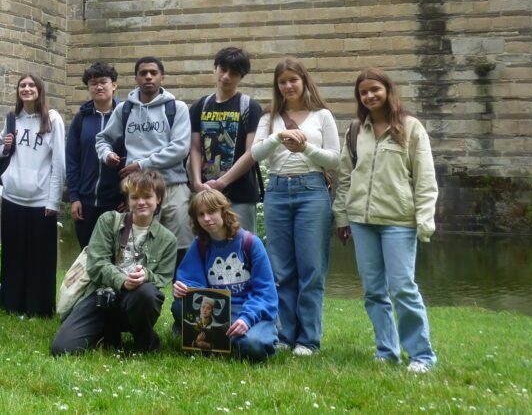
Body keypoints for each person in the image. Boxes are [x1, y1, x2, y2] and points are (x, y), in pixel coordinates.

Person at [334, 69, 438, 373]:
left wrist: (425, 220)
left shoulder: (410, 128)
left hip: (398, 221)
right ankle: (386, 350)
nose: (369, 96)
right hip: (361, 222)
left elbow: (425, 179)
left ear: (387, 90)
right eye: (363, 92)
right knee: (373, 291)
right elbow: (344, 177)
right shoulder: (356, 130)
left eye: (374, 90)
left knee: (403, 288)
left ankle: (421, 355)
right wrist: (342, 217)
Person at [251, 57, 339, 356]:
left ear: (304, 81)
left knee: (311, 269)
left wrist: (306, 148)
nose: (288, 86)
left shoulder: (322, 116)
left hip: (312, 191)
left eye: (293, 80)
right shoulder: (270, 117)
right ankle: (285, 334)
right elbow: (256, 153)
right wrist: (278, 137)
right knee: (281, 270)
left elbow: (335, 160)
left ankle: (308, 339)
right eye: (282, 82)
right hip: (276, 191)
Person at [50, 169, 178, 356]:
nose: (141, 202)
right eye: (134, 197)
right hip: (100, 297)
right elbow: (96, 263)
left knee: (147, 293)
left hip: (136, 301)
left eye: (147, 196)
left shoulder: (168, 240)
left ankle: (144, 337)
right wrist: (122, 281)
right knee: (61, 349)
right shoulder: (108, 221)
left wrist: (145, 276)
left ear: (158, 198)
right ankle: (107, 332)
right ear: (128, 200)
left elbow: (162, 278)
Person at [95, 56, 192, 257]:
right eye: (143, 73)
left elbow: (180, 149)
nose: (148, 77)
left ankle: (181, 289)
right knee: (139, 251)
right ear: (136, 78)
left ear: (162, 78)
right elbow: (102, 139)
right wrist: (107, 155)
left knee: (181, 251)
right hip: (140, 192)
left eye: (153, 73)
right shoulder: (125, 109)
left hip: (174, 188)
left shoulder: (177, 108)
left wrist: (141, 164)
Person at [172, 188, 278, 362]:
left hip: (248, 310)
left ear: (223, 211)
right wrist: (184, 288)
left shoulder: (251, 243)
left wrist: (247, 318)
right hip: (218, 312)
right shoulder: (200, 245)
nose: (207, 218)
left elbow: (266, 292)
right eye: (201, 214)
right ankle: (223, 340)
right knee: (179, 305)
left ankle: (256, 334)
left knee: (253, 347)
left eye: (212, 212)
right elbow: (191, 281)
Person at [0, 73, 65, 317]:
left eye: (31, 85)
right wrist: (4, 145)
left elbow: (59, 163)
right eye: (22, 86)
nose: (26, 89)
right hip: (13, 195)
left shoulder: (53, 119)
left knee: (40, 258)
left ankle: (39, 308)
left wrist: (53, 200)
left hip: (40, 199)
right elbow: (1, 151)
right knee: (13, 254)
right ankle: (11, 304)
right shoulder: (12, 118)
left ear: (39, 89)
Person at [188, 47, 264, 234]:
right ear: (215, 68)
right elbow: (195, 148)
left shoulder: (250, 107)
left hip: (240, 195)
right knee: (206, 245)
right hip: (206, 195)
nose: (226, 76)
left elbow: (251, 152)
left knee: (243, 246)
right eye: (223, 70)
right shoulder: (200, 106)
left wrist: (222, 182)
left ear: (241, 77)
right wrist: (198, 183)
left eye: (234, 73)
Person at [66, 61, 123, 249]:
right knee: (87, 256)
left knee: (115, 256)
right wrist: (74, 197)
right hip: (86, 202)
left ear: (114, 85)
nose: (98, 86)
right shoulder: (81, 119)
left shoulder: (125, 116)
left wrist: (129, 197)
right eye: (93, 83)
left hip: (116, 202)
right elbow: (72, 160)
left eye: (103, 82)